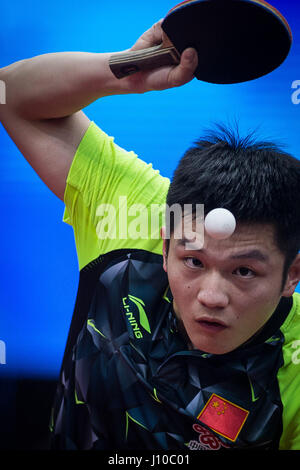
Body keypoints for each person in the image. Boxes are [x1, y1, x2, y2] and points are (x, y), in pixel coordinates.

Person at [1, 20, 300, 451]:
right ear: (164, 244)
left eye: (244, 272)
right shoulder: (134, 216)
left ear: (293, 274)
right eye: (193, 262)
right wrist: (130, 68)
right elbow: (10, 93)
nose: (212, 296)